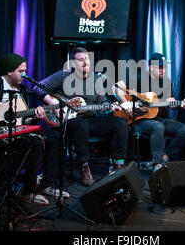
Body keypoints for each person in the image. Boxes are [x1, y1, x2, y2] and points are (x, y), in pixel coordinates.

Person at [0, 53, 68, 205]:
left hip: (15, 131)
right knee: (36, 142)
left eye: (25, 71)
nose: (24, 75)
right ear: (9, 71)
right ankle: (28, 190)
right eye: (21, 71)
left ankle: (46, 185)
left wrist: (36, 117)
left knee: (55, 138)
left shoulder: (23, 90)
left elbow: (23, 120)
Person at [34, 47, 128, 187]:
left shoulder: (96, 80)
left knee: (120, 123)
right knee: (80, 124)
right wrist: (53, 103)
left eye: (87, 59)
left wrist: (109, 107)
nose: (85, 63)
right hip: (70, 121)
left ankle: (118, 167)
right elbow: (38, 87)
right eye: (80, 59)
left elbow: (102, 103)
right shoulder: (63, 75)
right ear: (73, 63)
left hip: (91, 120)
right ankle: (84, 166)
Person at [115, 52, 185, 172]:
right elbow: (117, 86)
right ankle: (158, 166)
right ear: (150, 67)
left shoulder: (166, 82)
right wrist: (126, 104)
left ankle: (165, 157)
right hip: (139, 121)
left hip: (157, 119)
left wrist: (179, 104)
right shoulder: (139, 78)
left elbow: (170, 101)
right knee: (158, 127)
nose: (163, 70)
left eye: (164, 67)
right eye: (159, 67)